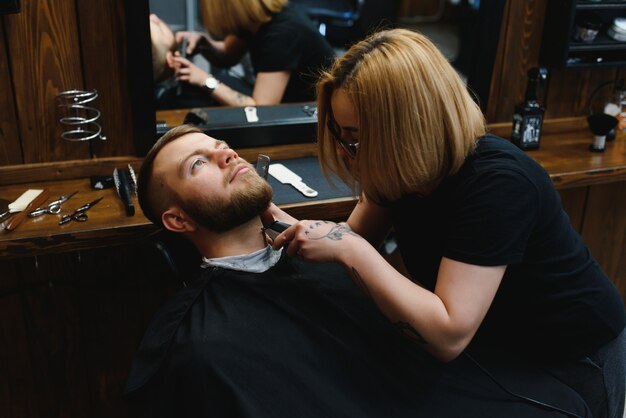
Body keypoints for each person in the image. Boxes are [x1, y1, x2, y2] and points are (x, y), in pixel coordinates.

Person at [267, 28, 626, 418]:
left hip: (572, 357)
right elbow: (352, 236)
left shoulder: (499, 184)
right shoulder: (397, 173)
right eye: (341, 135)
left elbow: (447, 333)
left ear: (407, 133)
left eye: (355, 140)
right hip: (494, 343)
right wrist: (278, 221)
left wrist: (350, 249)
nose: (346, 154)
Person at [124, 125, 591, 417]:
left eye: (221, 145)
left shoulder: (323, 254)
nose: (228, 154)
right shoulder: (199, 346)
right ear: (178, 221)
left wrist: (336, 242)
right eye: (199, 163)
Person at [172, 0, 335, 107]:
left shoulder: (282, 34)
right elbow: (228, 54)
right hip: (279, 101)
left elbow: (261, 108)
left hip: (311, 117)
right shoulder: (255, 20)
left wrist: (205, 80)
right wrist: (203, 43)